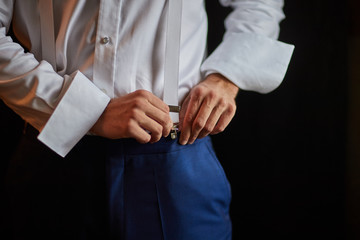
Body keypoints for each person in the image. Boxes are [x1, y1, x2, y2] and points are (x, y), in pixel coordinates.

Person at [0, 0, 294, 239]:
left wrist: (227, 76)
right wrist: (89, 111)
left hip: (175, 164)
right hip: (52, 159)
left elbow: (260, 4)